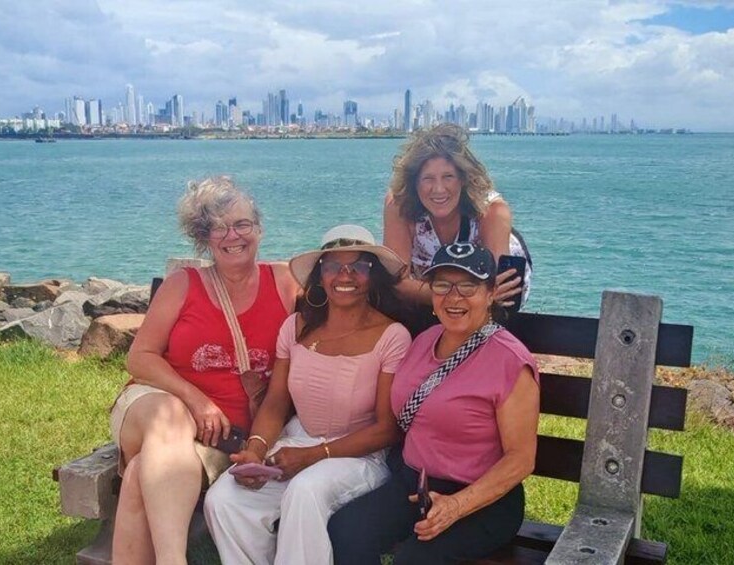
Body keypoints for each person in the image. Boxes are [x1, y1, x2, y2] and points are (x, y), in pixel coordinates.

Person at [108, 176, 299, 565]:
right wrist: (195, 399)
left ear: (259, 229)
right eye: (219, 228)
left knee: (143, 472)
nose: (233, 235)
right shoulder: (183, 285)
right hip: (155, 404)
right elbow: (140, 357)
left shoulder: (284, 282)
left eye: (242, 224)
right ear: (204, 237)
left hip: (222, 438)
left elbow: (336, 313)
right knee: (171, 415)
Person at [204, 225, 412, 565]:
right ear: (320, 275)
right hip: (297, 441)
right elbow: (276, 401)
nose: (345, 275)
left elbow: (387, 430)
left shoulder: (392, 337)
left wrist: (315, 455)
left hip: (359, 455)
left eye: (358, 266)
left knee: (306, 490)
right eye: (333, 266)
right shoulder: (295, 327)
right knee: (224, 499)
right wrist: (256, 450)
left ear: (372, 275)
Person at [329, 241, 540, 565]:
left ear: (490, 294)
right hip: (415, 486)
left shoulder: (510, 361)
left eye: (468, 286)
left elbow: (521, 460)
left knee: (415, 560)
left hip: (482, 500)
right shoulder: (424, 341)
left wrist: (456, 506)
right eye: (442, 285)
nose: (454, 297)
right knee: (347, 531)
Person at [383, 123, 532, 308]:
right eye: (428, 178)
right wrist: (453, 295)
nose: (438, 189)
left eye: (448, 177)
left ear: (463, 179)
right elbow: (396, 283)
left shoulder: (491, 210)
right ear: (414, 182)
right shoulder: (399, 204)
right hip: (448, 294)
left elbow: (498, 290)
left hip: (485, 298)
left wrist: (447, 294)